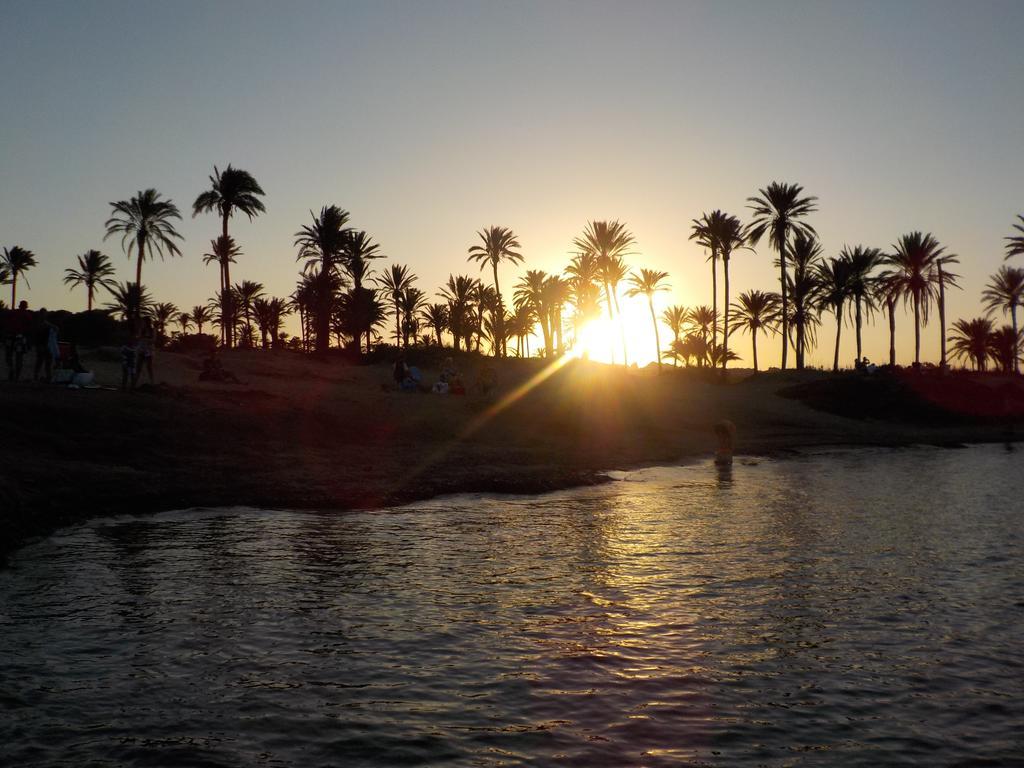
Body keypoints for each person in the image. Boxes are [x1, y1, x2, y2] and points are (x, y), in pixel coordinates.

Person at [4, 300, 32, 382]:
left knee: (9, 355)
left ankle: (12, 371)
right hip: (19, 337)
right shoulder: (27, 315)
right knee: (18, 357)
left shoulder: (13, 313)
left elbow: (6, 323)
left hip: (12, 336)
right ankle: (16, 375)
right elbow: (29, 329)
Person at [32, 308, 58, 383]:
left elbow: (56, 329)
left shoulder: (46, 324)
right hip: (41, 345)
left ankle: (48, 377)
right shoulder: (40, 324)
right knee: (40, 361)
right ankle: (36, 376)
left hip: (47, 345)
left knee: (47, 362)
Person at [134, 318, 156, 386]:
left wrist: (146, 339)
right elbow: (138, 338)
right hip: (141, 349)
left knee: (149, 367)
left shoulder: (153, 330)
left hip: (149, 350)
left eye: (144, 322)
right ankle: (134, 383)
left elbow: (154, 340)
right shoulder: (141, 330)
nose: (143, 323)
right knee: (138, 367)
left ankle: (152, 383)